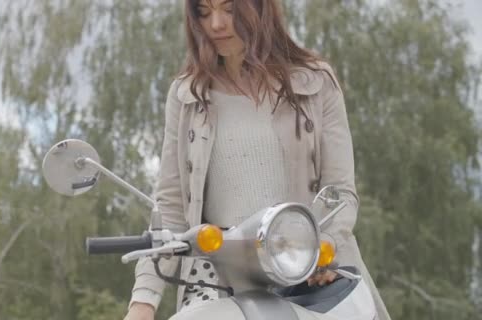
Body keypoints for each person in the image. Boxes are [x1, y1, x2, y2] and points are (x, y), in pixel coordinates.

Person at [125, 0, 391, 319]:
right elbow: (170, 208)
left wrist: (322, 249)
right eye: (204, 12)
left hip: (308, 280)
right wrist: (143, 301)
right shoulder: (187, 95)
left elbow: (340, 193)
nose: (216, 24)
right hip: (217, 283)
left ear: (261, 9)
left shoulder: (315, 82)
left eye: (230, 9)